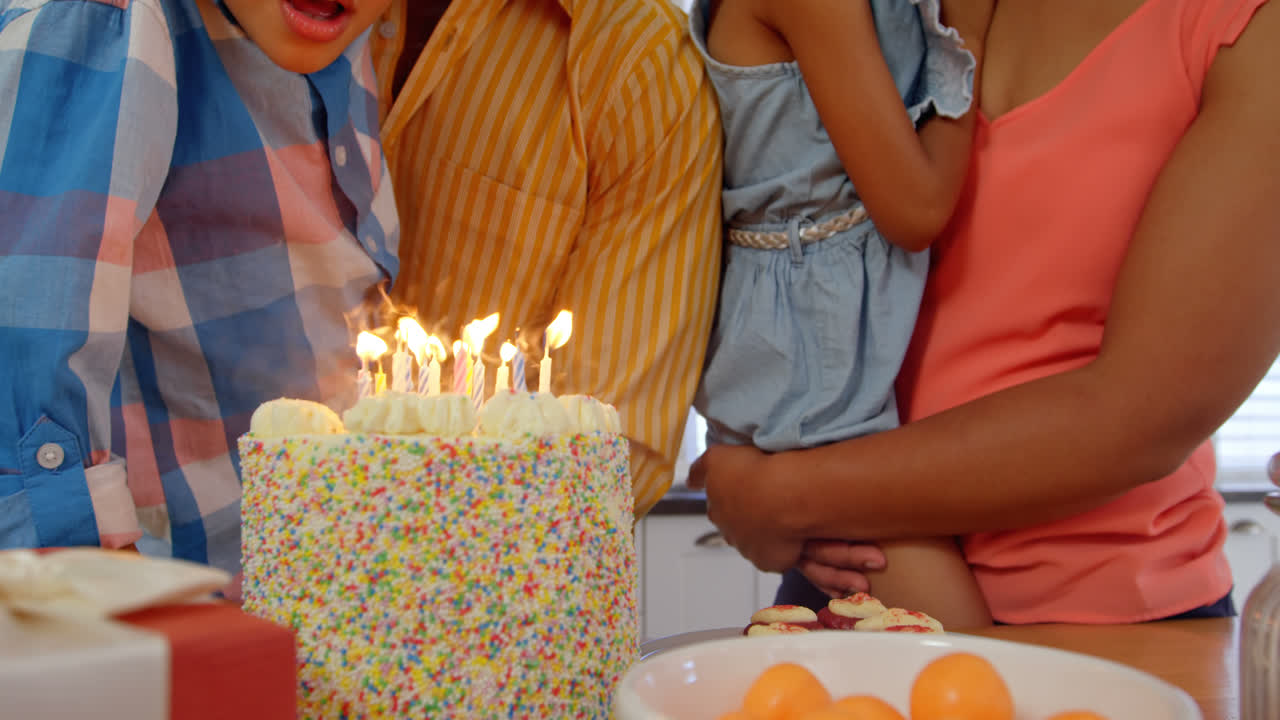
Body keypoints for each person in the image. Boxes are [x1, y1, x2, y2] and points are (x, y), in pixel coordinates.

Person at [690, 0, 1280, 625]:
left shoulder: (1242, 30)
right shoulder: (888, 12)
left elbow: (1144, 416)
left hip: (1111, 622)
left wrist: (780, 493)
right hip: (853, 583)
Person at [0, 0, 399, 593]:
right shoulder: (106, 22)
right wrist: (107, 598)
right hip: (179, 608)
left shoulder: (334, 27)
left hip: (313, 595)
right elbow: (26, 336)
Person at [687, 0, 994, 628]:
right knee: (965, 653)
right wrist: (969, 28)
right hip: (811, 352)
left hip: (818, 336)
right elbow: (916, 210)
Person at [369, 0, 723, 516]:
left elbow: (609, 457)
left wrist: (375, 547)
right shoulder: (246, 28)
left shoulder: (636, 60)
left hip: (484, 574)